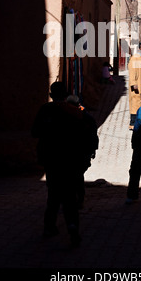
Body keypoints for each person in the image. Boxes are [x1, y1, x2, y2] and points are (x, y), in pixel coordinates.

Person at [31, 81, 91, 246]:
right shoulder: (74, 112)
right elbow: (83, 136)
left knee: (53, 196)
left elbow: (35, 132)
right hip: (70, 161)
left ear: (51, 95)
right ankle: (72, 227)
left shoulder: (45, 110)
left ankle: (49, 227)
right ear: (66, 95)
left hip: (51, 161)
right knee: (70, 197)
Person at [66, 94, 99, 208]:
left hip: (80, 152)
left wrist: (93, 149)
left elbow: (93, 135)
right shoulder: (86, 117)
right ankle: (77, 199)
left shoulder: (84, 118)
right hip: (77, 152)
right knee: (77, 176)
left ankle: (77, 199)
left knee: (76, 176)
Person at [128, 45, 141, 130]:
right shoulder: (134, 59)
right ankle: (132, 124)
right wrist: (133, 83)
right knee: (135, 104)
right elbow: (132, 72)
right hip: (136, 86)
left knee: (140, 103)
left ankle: (138, 124)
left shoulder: (140, 58)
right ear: (140, 49)